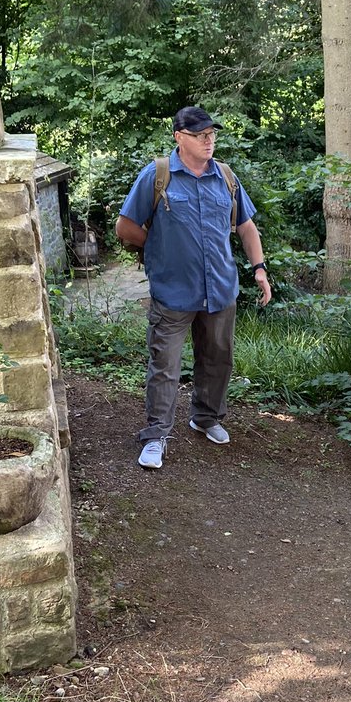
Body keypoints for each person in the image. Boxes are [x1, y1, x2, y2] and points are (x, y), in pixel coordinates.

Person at [115, 106, 271, 469]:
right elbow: (125, 227)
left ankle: (205, 417)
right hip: (173, 292)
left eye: (211, 134)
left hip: (219, 289)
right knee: (165, 365)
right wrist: (157, 246)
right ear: (179, 137)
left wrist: (259, 269)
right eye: (201, 135)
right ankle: (156, 436)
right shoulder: (158, 175)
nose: (209, 140)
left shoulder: (226, 177)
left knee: (218, 360)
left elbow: (246, 227)